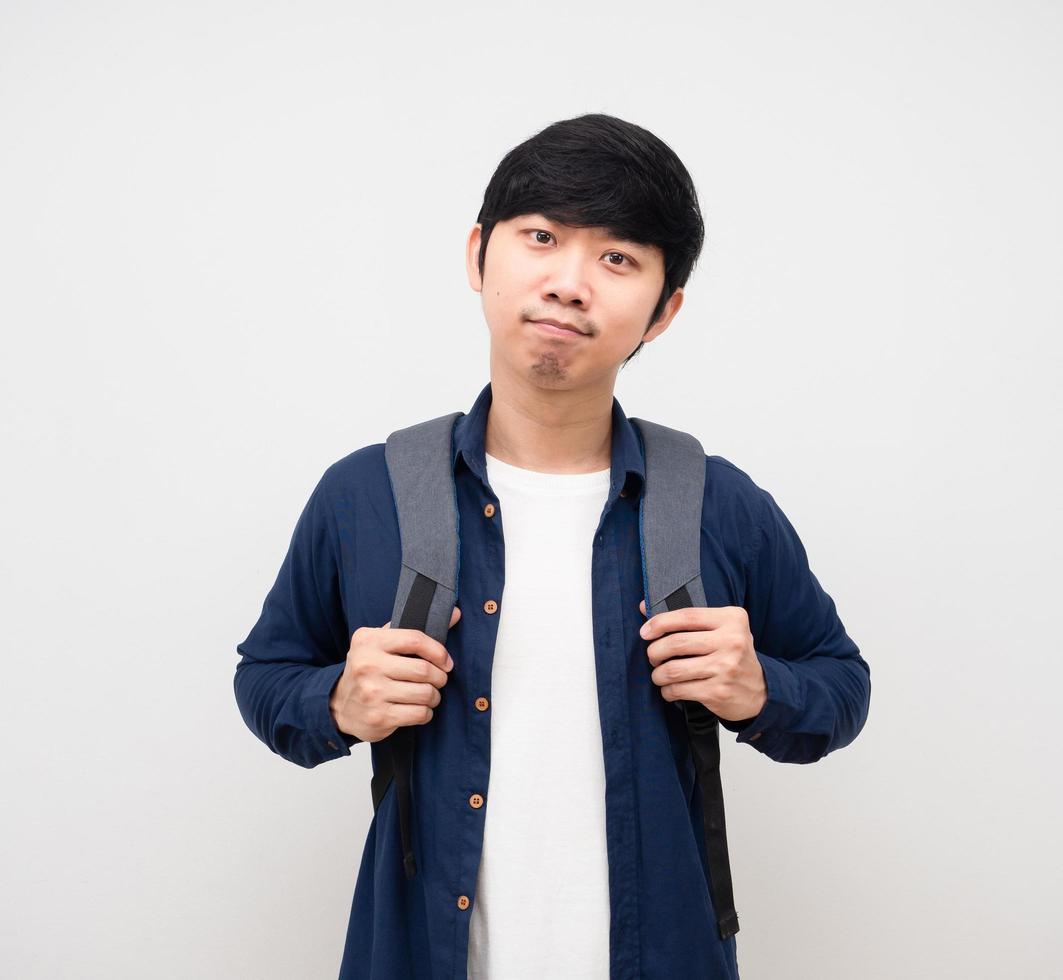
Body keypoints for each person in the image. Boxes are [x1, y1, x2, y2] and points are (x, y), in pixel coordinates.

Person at [233, 112, 871, 980]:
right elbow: (265, 676)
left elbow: (840, 686)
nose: (570, 282)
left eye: (618, 259)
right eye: (540, 237)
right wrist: (340, 704)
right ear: (477, 255)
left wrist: (760, 688)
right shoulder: (368, 494)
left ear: (663, 310)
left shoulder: (715, 503)